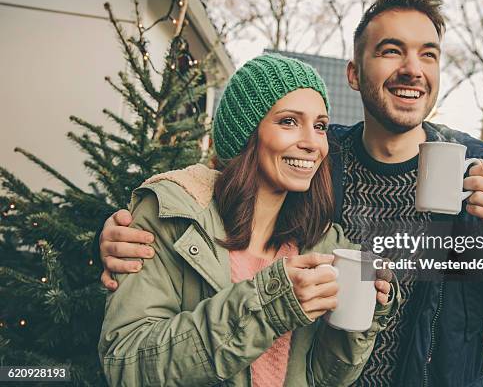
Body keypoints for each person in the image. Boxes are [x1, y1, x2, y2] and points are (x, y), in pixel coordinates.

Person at [97, 0, 483, 387]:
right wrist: (129, 230)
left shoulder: (477, 173)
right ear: (355, 73)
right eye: (390, 50)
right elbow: (217, 193)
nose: (411, 68)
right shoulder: (318, 160)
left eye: (428, 54)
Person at [98, 54, 397, 386]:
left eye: (320, 126)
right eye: (288, 121)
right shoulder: (173, 219)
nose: (312, 142)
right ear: (246, 133)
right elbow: (126, 365)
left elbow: (322, 379)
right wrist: (268, 306)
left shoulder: (323, 243)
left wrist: (364, 315)